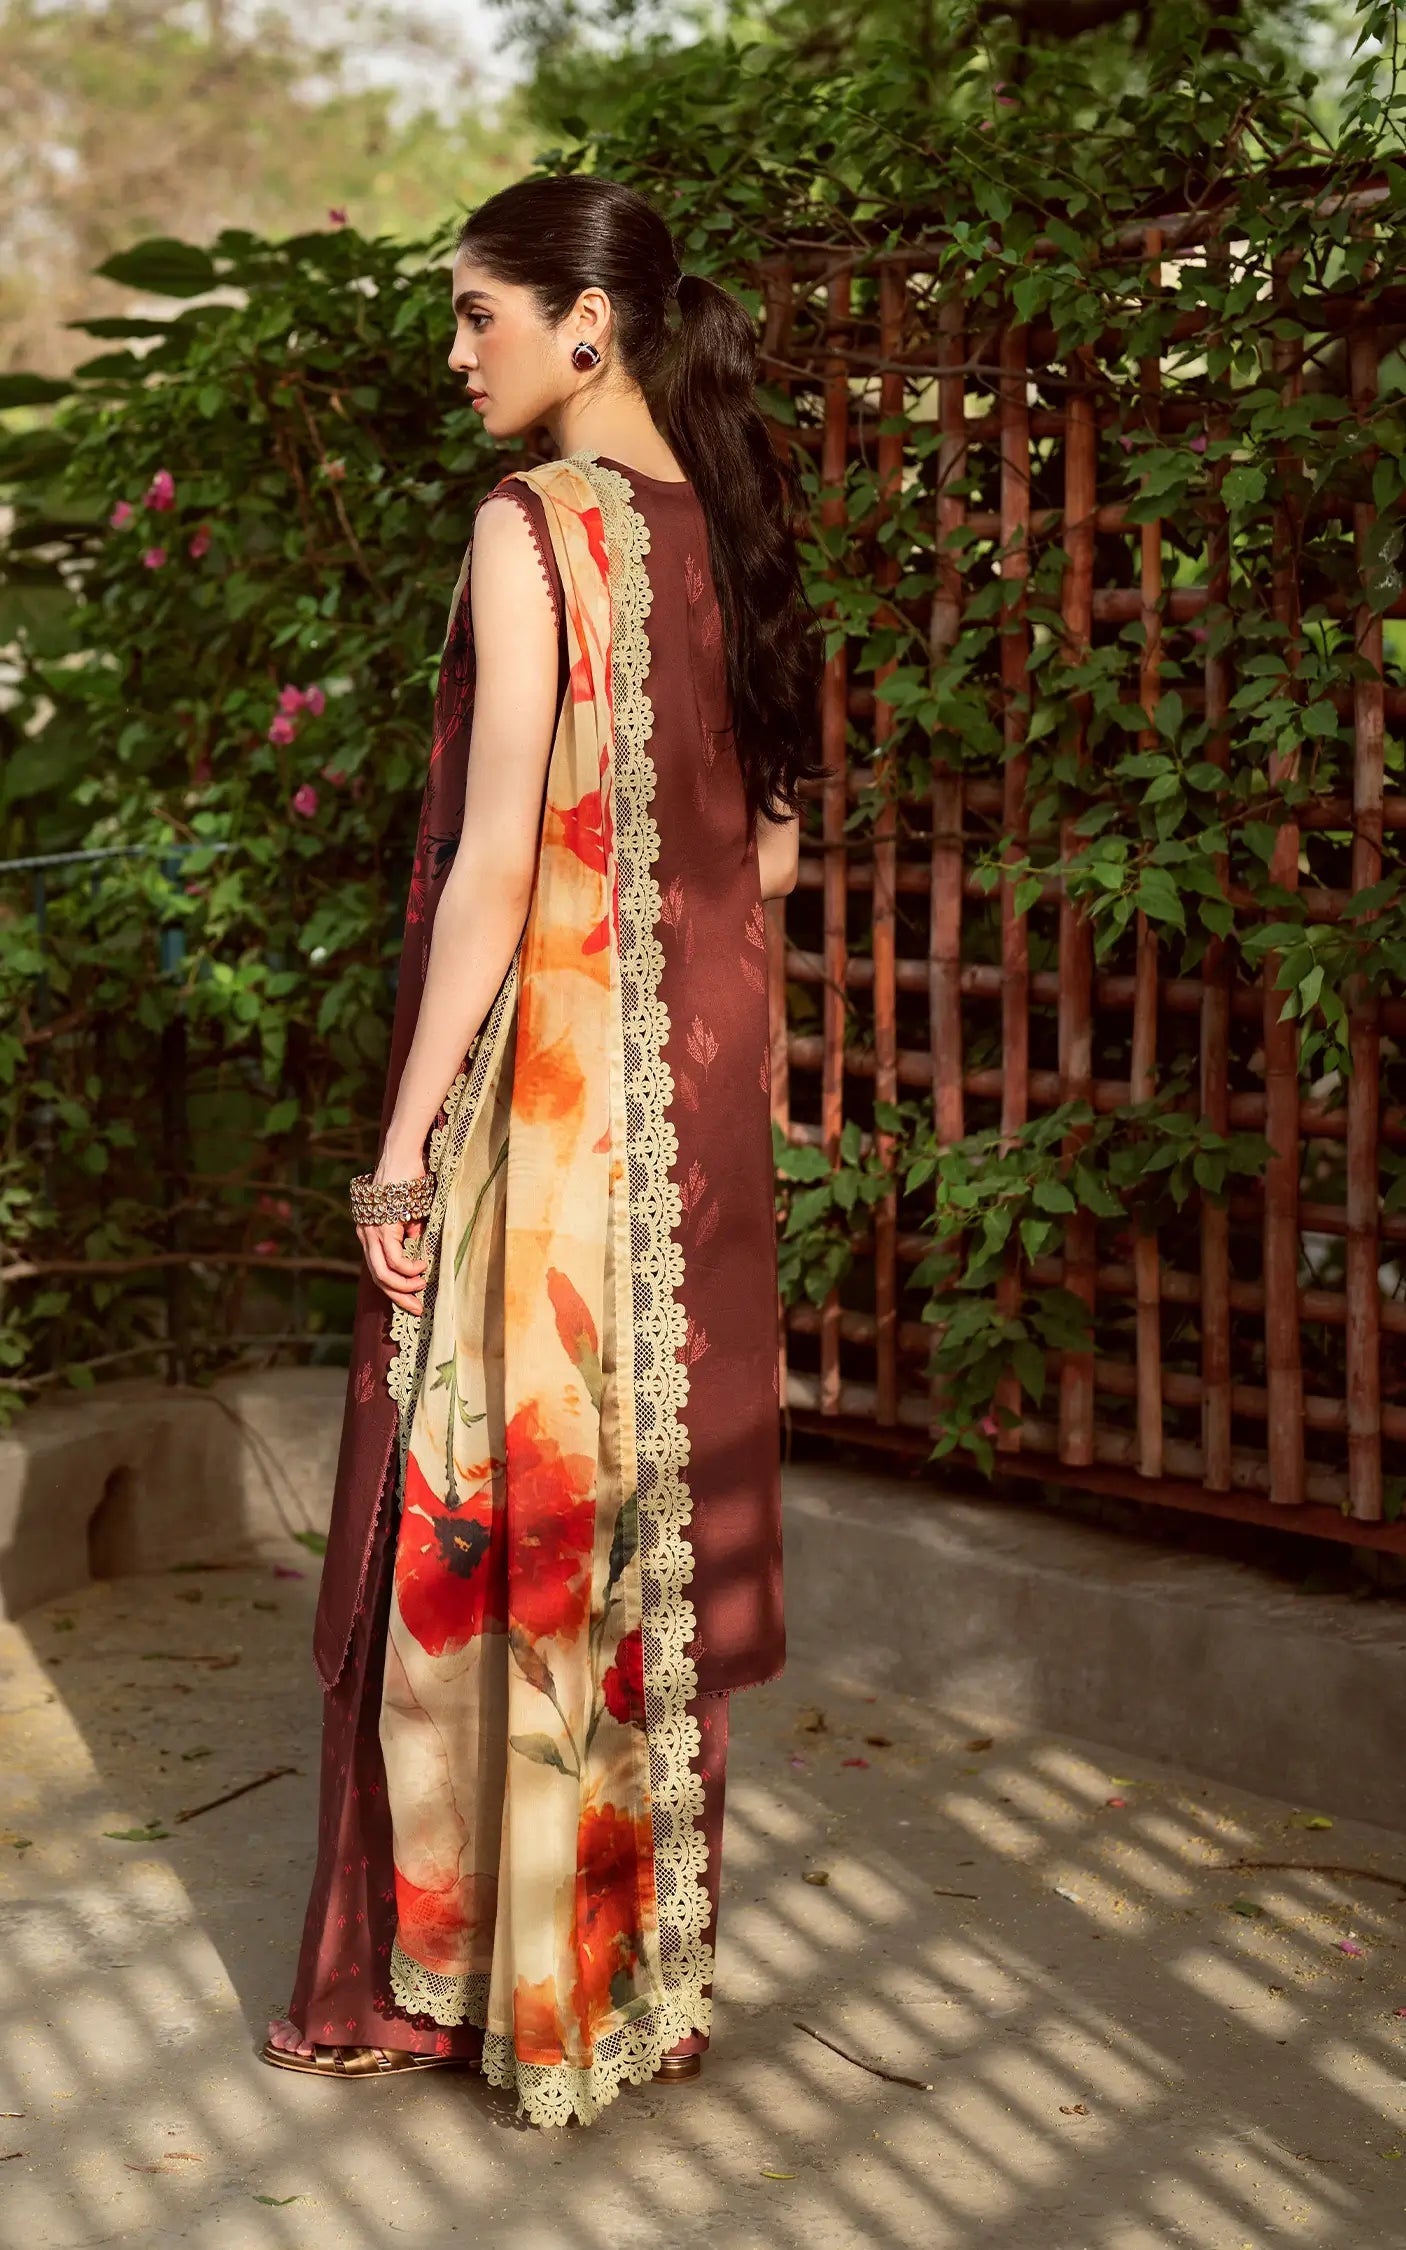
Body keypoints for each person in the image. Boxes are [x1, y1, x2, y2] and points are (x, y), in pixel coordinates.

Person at [262, 172, 821, 2130]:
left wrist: (402, 1145)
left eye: (475, 313)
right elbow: (772, 850)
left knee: (502, 1521)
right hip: (698, 1117)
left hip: (563, 1115)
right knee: (645, 1524)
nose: (456, 352)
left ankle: (478, 1989)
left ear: (585, 324)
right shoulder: (730, 522)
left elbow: (494, 864)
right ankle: (624, 1989)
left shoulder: (536, 527)